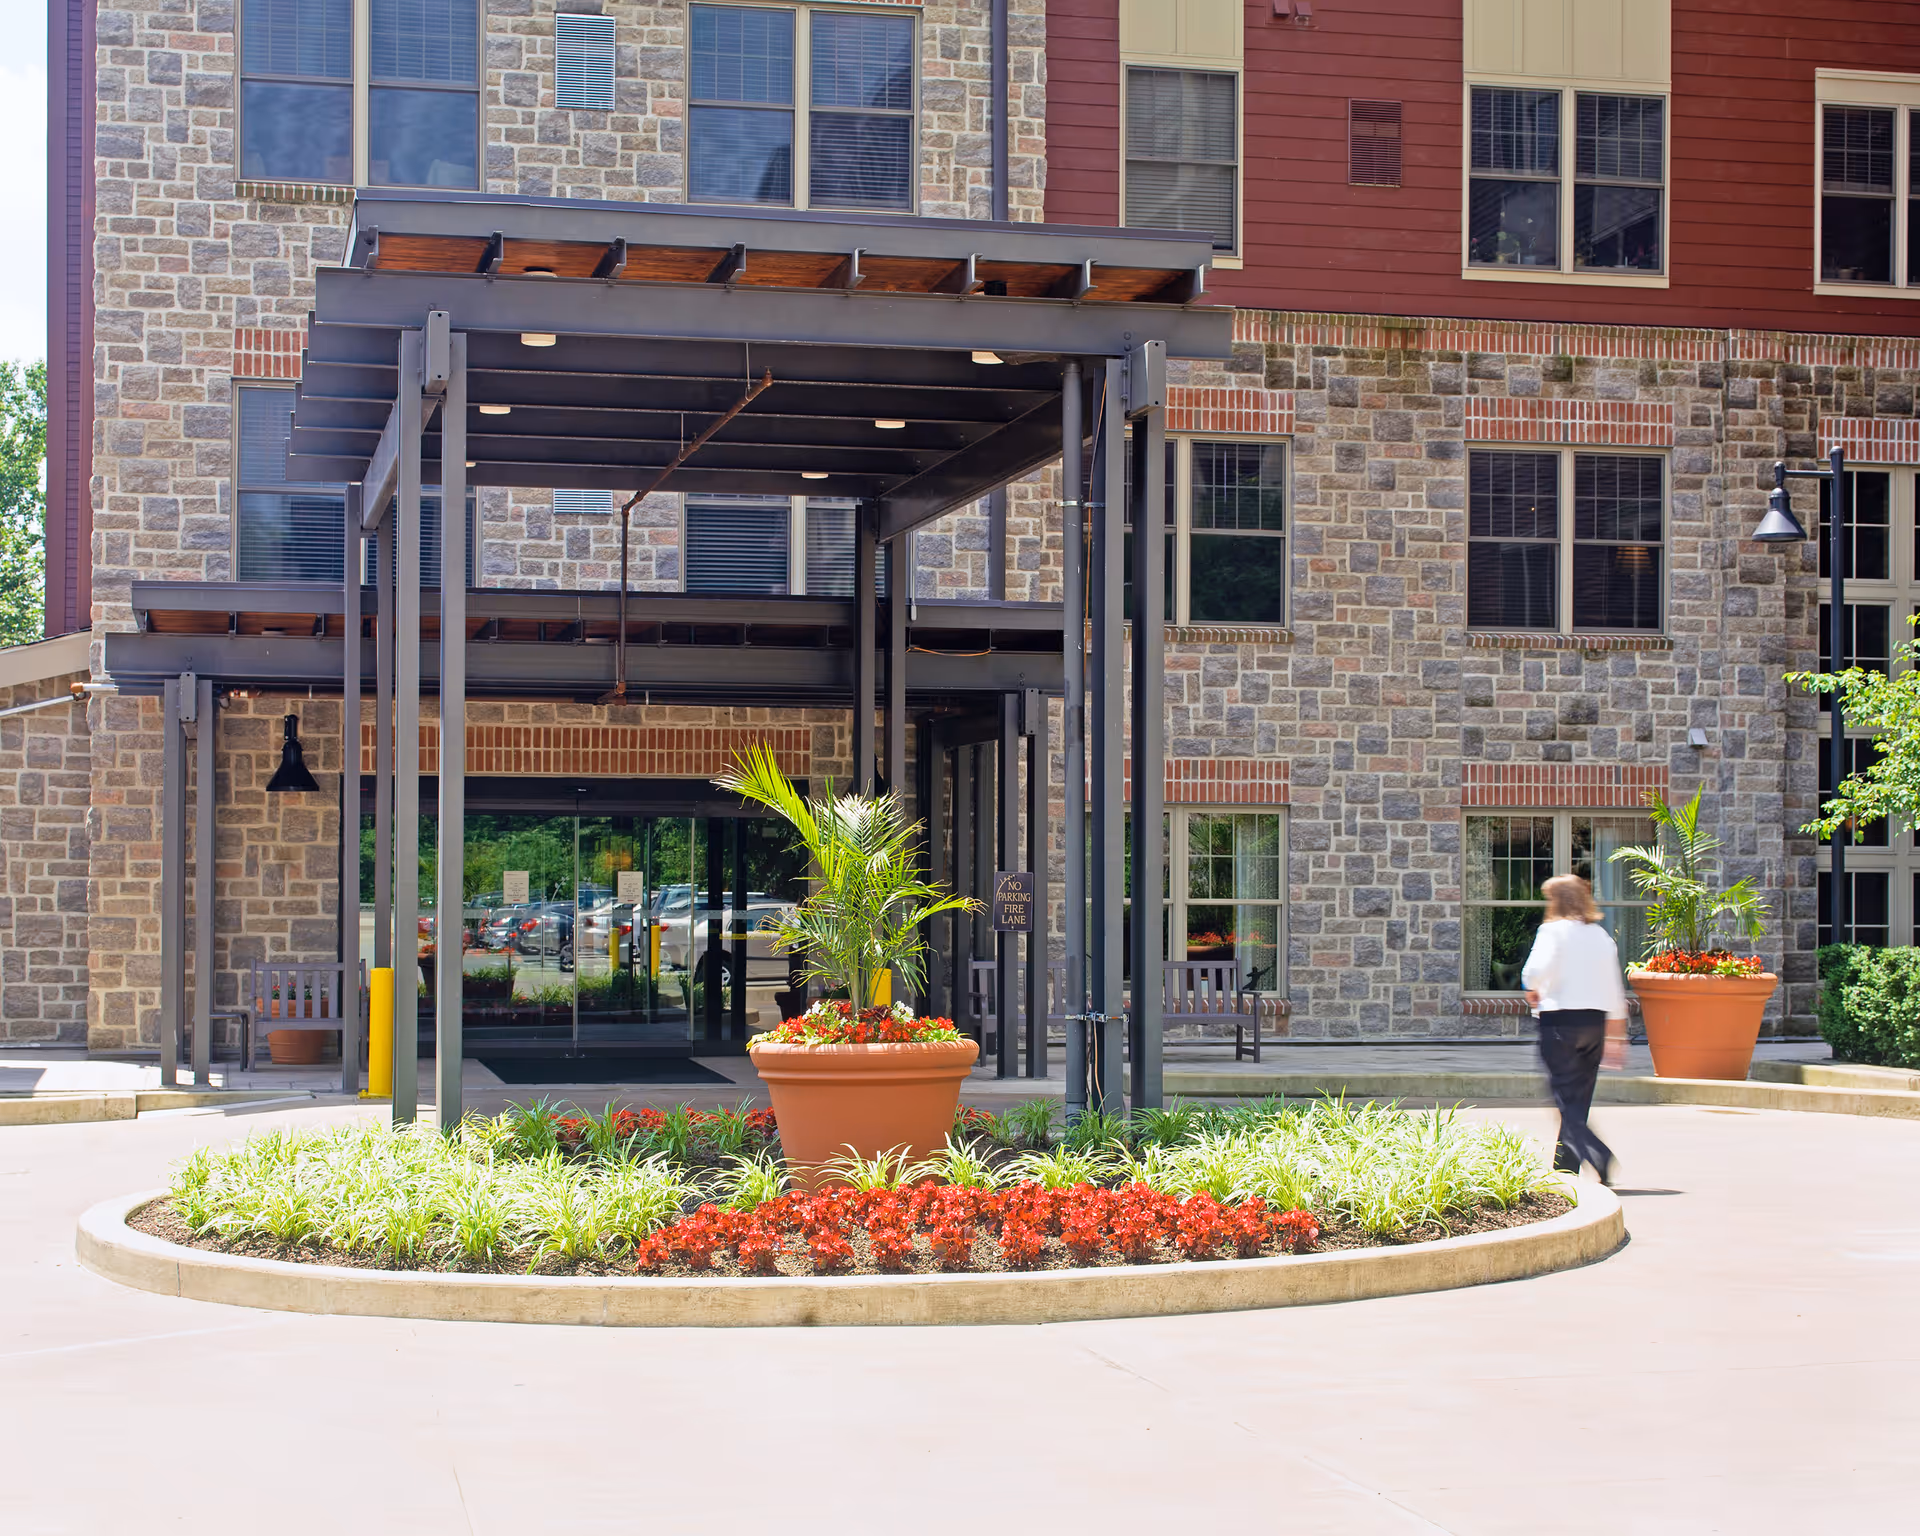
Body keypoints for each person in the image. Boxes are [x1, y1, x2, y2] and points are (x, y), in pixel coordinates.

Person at [1521, 874, 1629, 1184]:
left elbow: (1535, 972)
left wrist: (1531, 987)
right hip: (1594, 1025)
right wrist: (1617, 1037)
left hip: (1560, 1022)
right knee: (1579, 1099)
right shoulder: (1601, 936)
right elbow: (1614, 990)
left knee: (1564, 1098)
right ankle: (1564, 1170)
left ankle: (1600, 1155)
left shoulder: (1552, 932)